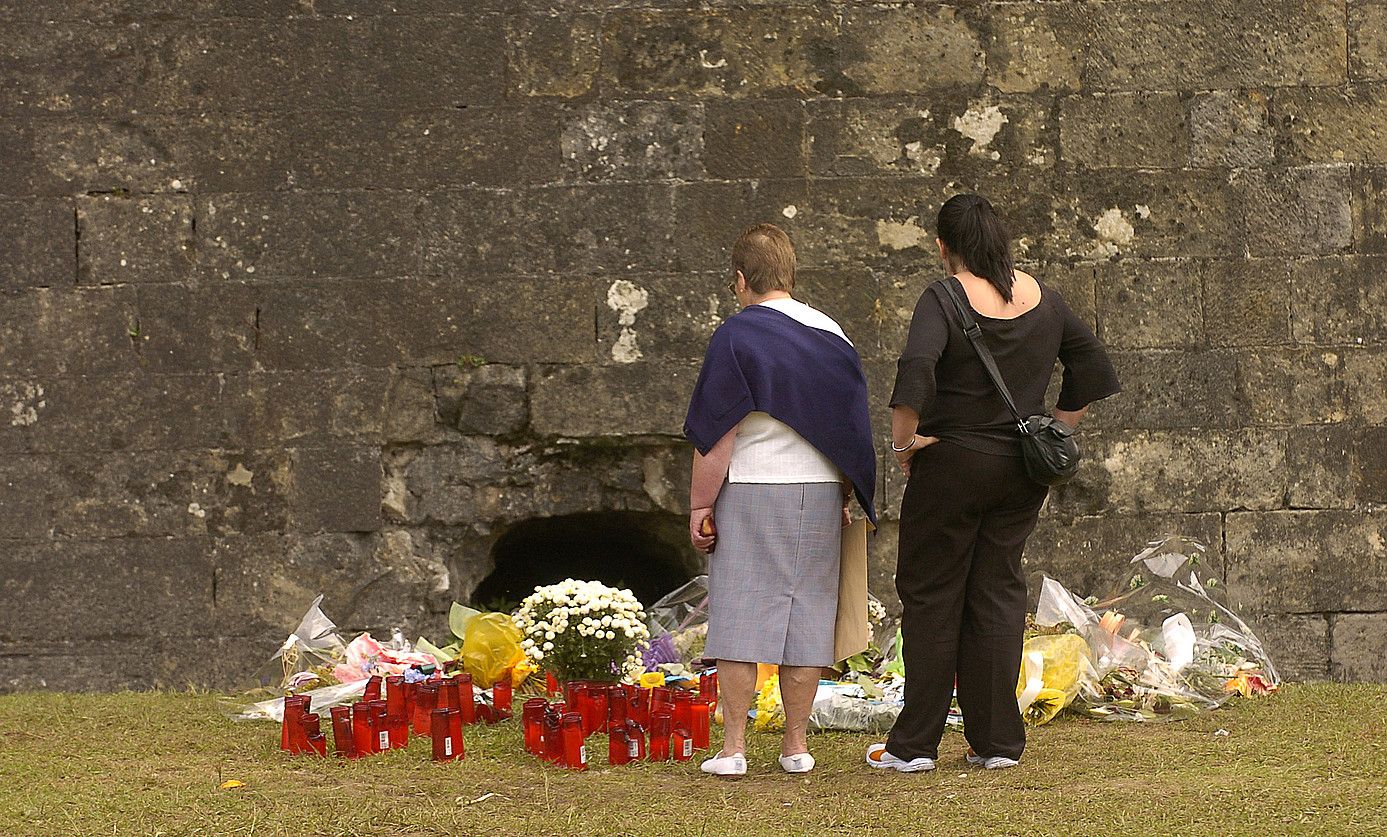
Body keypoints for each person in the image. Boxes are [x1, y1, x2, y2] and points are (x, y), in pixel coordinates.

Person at [867, 194, 1120, 773]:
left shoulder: (944, 296)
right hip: (1018, 472)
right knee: (998, 594)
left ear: (943, 245)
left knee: (932, 596)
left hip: (951, 464)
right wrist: (1055, 425)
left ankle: (915, 746)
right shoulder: (1041, 298)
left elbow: (916, 371)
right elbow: (1094, 365)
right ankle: (997, 741)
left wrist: (905, 443)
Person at [683, 223, 876, 777]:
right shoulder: (833, 335)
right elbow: (848, 426)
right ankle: (795, 746)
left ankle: (734, 750)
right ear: (790, 274)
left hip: (750, 487)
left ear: (741, 280)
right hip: (817, 489)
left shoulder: (737, 336)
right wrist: (846, 491)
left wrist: (700, 506)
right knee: (806, 619)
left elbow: (716, 433)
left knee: (741, 621)